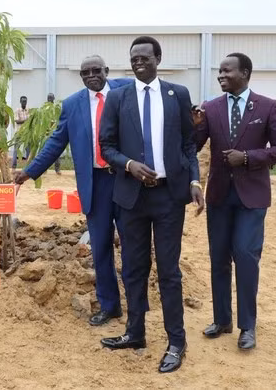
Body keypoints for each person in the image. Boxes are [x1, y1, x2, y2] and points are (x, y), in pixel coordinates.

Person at [98, 36, 204, 373]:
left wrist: (194, 180)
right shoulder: (117, 97)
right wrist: (129, 164)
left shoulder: (177, 95)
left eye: (145, 57)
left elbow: (189, 145)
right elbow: (107, 145)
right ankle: (135, 332)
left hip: (169, 196)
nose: (138, 62)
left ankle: (176, 340)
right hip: (131, 196)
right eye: (134, 58)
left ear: (158, 58)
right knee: (133, 268)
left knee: (169, 271)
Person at [15, 55, 132, 326]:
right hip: (95, 183)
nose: (91, 75)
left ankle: (138, 305)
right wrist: (29, 172)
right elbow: (55, 143)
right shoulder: (72, 105)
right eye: (85, 72)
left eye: (96, 70)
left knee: (132, 247)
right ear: (80, 76)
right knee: (100, 247)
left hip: (126, 181)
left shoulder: (126, 91)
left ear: (106, 70)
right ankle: (109, 306)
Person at [193, 53, 276, 351]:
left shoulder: (267, 106)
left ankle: (247, 326)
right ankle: (222, 319)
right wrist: (195, 125)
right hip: (220, 195)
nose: (221, 76)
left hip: (253, 196)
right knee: (219, 258)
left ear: (245, 73)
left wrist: (249, 158)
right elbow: (194, 145)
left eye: (227, 71)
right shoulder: (211, 108)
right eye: (219, 72)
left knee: (246, 257)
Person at [46, 93, 62, 175]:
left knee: (57, 152)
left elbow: (58, 120)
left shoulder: (56, 109)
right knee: (44, 151)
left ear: (54, 99)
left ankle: (57, 169)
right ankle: (44, 169)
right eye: (48, 98)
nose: (49, 100)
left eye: (51, 98)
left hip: (55, 133)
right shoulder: (44, 108)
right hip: (46, 133)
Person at [12, 96, 30, 169]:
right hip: (19, 133)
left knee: (28, 150)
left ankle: (28, 167)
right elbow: (16, 121)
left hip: (26, 133)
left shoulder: (28, 110)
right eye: (23, 101)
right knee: (16, 149)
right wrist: (26, 121)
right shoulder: (17, 110)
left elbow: (30, 120)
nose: (24, 103)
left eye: (25, 101)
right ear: (20, 102)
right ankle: (13, 166)